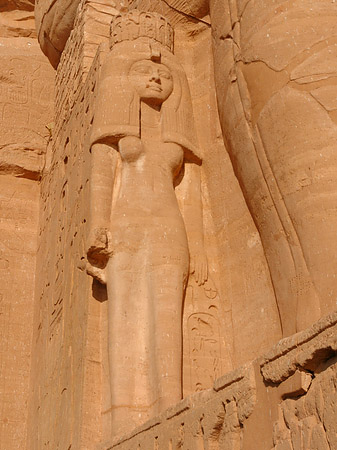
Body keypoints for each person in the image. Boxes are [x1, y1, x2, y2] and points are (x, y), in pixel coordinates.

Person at [86, 10, 207, 435]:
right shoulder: (117, 138)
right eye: (144, 71)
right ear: (123, 79)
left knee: (166, 317)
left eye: (164, 76)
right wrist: (96, 229)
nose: (156, 80)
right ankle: (122, 423)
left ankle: (169, 412)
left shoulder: (174, 140)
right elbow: (102, 178)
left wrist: (204, 249)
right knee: (123, 317)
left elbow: (189, 197)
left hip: (168, 229)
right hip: (125, 227)